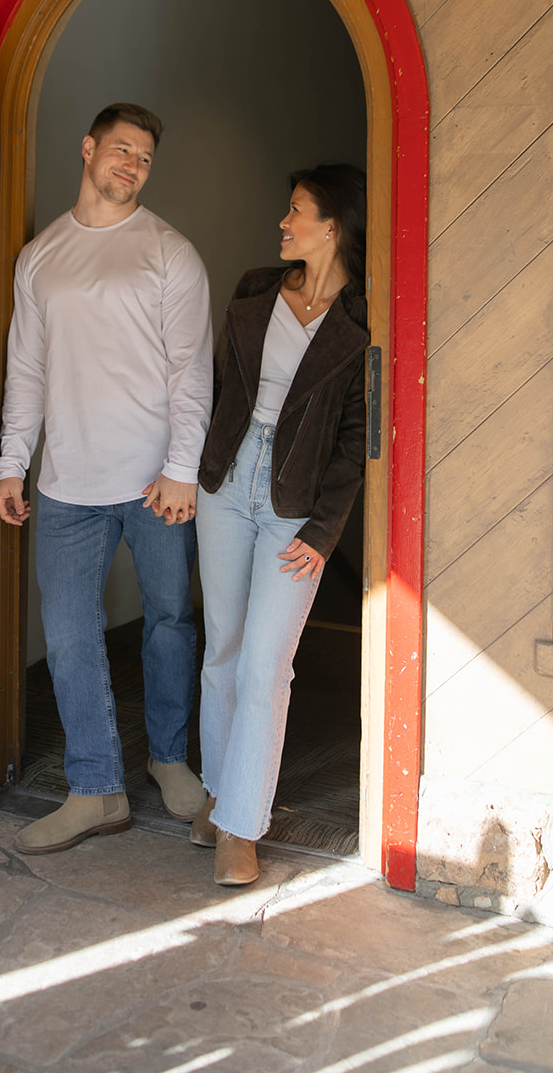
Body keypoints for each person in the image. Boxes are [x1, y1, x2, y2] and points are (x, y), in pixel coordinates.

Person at [0, 102, 213, 854]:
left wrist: (182, 469)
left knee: (169, 622)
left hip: (156, 482)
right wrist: (10, 463)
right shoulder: (41, 256)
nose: (131, 166)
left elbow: (192, 371)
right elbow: (25, 368)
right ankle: (95, 788)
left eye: (144, 158)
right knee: (69, 638)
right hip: (64, 485)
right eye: (120, 150)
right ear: (87, 149)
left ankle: (167, 757)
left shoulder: (168, 252)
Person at [192, 164, 369, 886]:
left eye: (295, 212)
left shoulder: (360, 320)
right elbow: (216, 386)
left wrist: (324, 531)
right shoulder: (255, 290)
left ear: (332, 226)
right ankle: (216, 789)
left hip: (293, 504)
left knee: (268, 665)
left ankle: (240, 826)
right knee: (223, 650)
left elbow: (357, 435)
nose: (282, 222)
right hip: (226, 485)